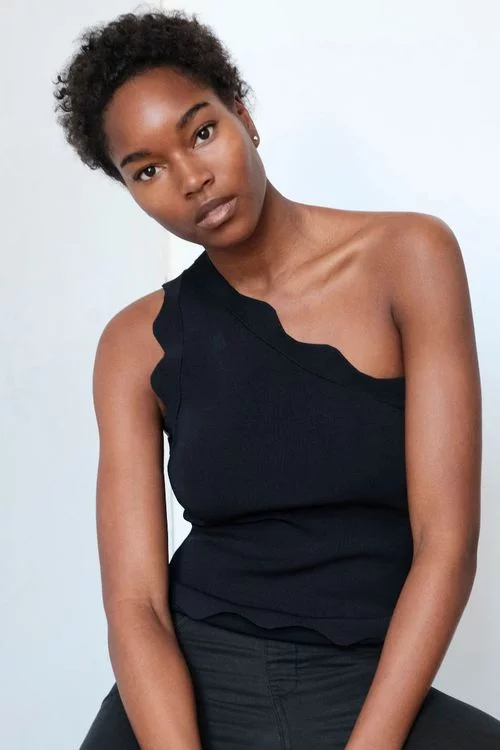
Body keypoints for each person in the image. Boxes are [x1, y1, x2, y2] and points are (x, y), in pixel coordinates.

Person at [53, 9, 500, 750]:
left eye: (202, 132)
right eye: (147, 170)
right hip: (184, 686)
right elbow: (137, 605)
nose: (192, 179)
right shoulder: (133, 345)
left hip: (366, 684)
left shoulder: (409, 257)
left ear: (245, 116)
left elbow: (445, 542)